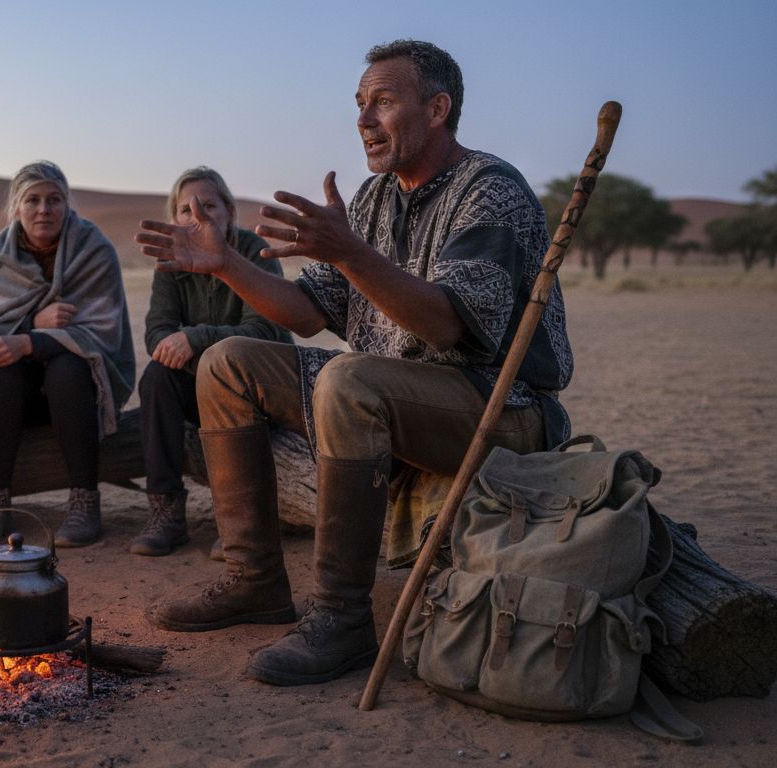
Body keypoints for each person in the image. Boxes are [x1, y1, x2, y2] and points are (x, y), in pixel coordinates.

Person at [137, 40, 573, 686]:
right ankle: (255, 579)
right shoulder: (372, 201)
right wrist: (226, 264)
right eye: (360, 105)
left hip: (497, 406)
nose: (364, 120)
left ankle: (341, 618)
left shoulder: (491, 190)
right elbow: (307, 312)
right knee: (225, 363)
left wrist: (349, 254)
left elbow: (450, 324)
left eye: (384, 102)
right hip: (390, 391)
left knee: (346, 379)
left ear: (437, 109)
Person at [0, 161, 135, 548]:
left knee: (69, 366)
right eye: (33, 200)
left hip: (83, 393)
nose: (44, 209)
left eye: (54, 200)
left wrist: (31, 340)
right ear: (16, 207)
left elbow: (102, 335)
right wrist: (34, 322)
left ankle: (84, 500)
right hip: (19, 400)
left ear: (67, 204)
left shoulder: (94, 249)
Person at [132, 167, 289, 557]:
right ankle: (166, 511)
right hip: (200, 379)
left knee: (224, 375)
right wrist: (180, 349)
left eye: (208, 206)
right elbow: (157, 332)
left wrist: (196, 338)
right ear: (174, 219)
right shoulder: (171, 261)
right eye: (185, 210)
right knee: (157, 377)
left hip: (257, 381)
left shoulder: (255, 252)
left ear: (229, 213)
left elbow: (266, 331)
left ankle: (239, 521)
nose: (196, 216)